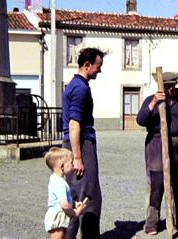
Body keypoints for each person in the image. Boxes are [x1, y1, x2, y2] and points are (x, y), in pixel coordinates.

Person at [136, 72, 178, 235]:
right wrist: (155, 101)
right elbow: (140, 120)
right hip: (156, 144)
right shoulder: (151, 100)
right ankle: (152, 223)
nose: (171, 89)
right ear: (161, 86)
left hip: (177, 145)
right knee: (156, 185)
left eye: (173, 87)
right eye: (168, 86)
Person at [62, 47, 106, 239]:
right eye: (98, 66)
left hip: (77, 144)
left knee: (77, 197)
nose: (99, 70)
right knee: (88, 198)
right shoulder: (80, 88)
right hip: (81, 145)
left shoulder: (75, 85)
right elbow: (74, 124)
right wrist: (78, 157)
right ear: (87, 65)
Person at [44, 147, 86, 239]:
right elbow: (64, 205)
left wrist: (74, 203)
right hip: (58, 216)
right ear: (62, 166)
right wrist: (75, 213)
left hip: (59, 215)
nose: (73, 165)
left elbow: (64, 199)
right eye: (71, 163)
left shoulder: (55, 179)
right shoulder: (60, 183)